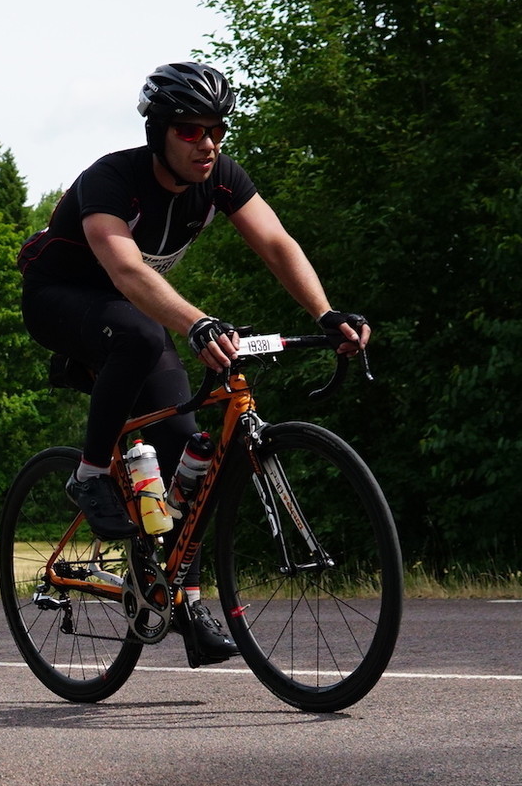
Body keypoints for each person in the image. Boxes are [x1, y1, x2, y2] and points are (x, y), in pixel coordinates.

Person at [18, 61, 371, 665]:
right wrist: (197, 322)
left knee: (190, 456)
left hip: (134, 312)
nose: (207, 144)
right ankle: (91, 474)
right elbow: (125, 269)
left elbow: (276, 243)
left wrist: (325, 312)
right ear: (157, 131)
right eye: (190, 130)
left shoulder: (220, 178)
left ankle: (187, 605)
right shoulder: (111, 179)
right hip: (59, 299)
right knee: (138, 332)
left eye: (217, 130)